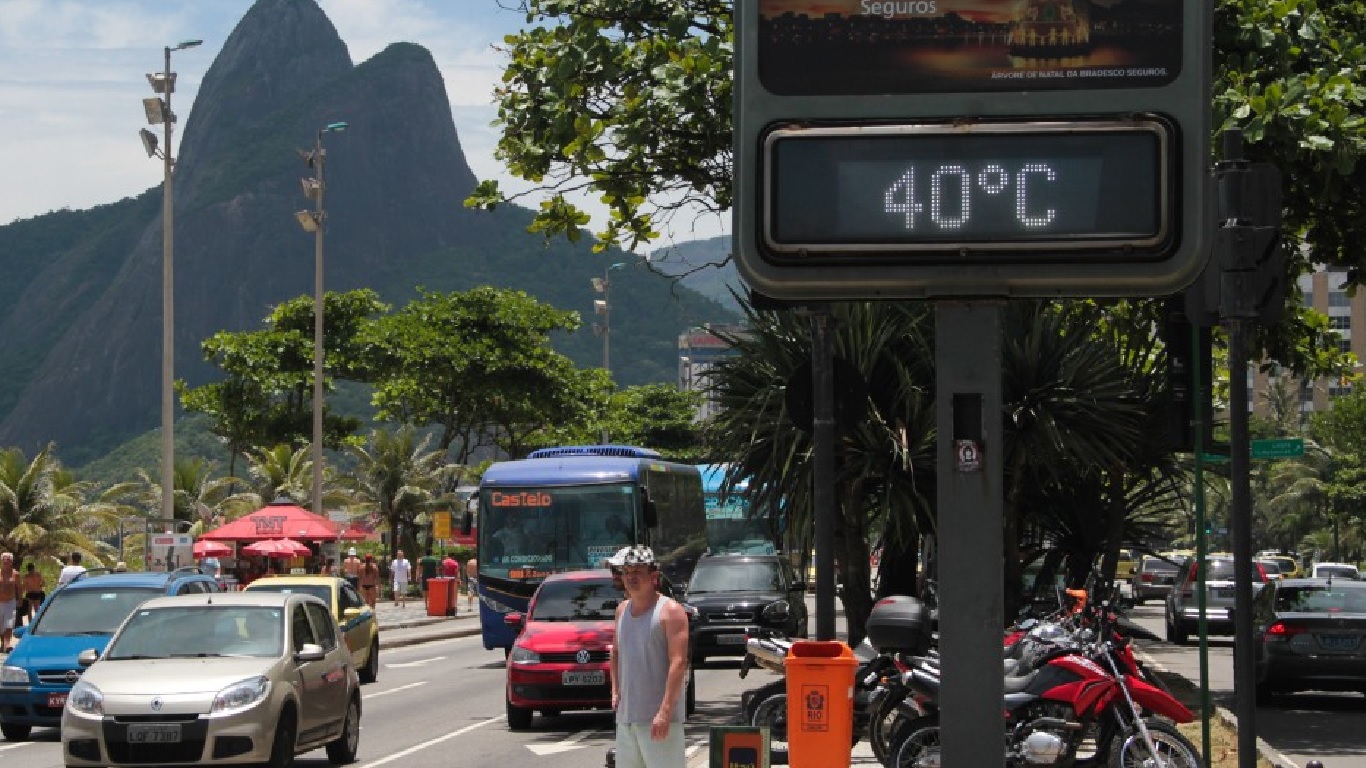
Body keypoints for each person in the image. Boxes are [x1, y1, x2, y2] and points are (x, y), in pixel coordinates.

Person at [607, 546, 689, 768]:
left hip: (659, 721)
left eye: (637, 572)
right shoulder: (622, 610)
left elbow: (678, 663)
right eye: (626, 572)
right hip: (627, 719)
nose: (631, 578)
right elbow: (615, 651)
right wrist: (615, 690)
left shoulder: (670, 612)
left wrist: (664, 712)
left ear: (653, 576)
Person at [0, 553, 20, 652]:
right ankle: (3, 643)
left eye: (8, 559)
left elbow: (19, 587)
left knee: (9, 623)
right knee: (1, 625)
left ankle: (7, 644)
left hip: (10, 602)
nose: (6, 561)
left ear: (11, 562)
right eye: (4, 559)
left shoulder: (15, 574)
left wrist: (20, 599)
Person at [21, 562, 45, 626]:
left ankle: (37, 624)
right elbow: (24, 586)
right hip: (30, 594)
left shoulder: (37, 575)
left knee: (37, 609)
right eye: (30, 570)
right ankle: (31, 624)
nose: (31, 571)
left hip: (36, 593)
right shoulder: (27, 576)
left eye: (32, 570)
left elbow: (43, 582)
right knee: (29, 610)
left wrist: (39, 587)